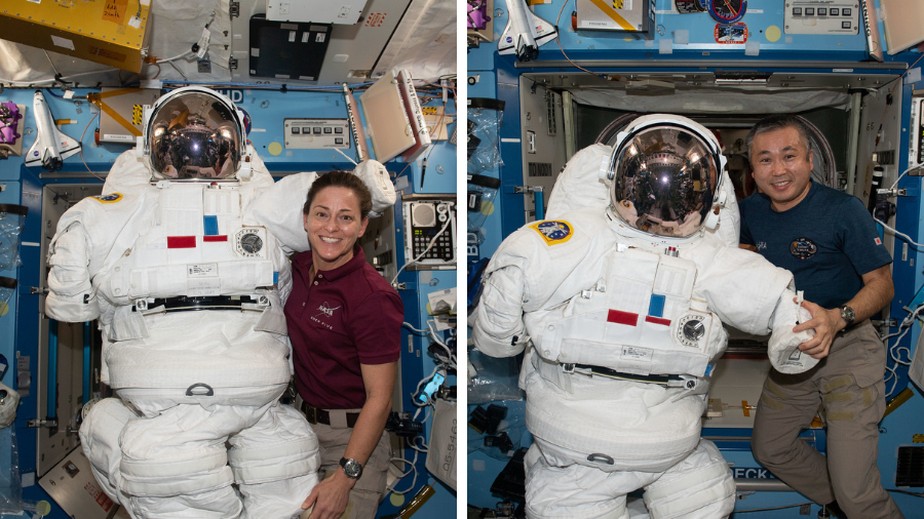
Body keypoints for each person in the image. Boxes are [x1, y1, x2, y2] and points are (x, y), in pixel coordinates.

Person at [43, 86, 395, 518]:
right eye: (183, 143)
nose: (195, 153)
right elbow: (70, 302)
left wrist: (365, 190)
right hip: (207, 384)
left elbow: (318, 200)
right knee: (191, 468)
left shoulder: (260, 206)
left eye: (208, 144)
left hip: (228, 388)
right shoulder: (127, 206)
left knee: (252, 468)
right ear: (157, 152)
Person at [472, 113, 816, 519]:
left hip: (591, 438)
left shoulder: (574, 243)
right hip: (657, 443)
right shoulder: (586, 238)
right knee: (702, 500)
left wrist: (792, 330)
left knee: (684, 500)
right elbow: (778, 305)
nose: (664, 202)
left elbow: (496, 332)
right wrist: (794, 338)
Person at [741, 114, 902, 519]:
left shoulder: (842, 210)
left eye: (789, 156)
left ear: (810, 160)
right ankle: (839, 502)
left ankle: (853, 502)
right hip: (792, 351)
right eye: (765, 160)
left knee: (859, 491)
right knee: (770, 447)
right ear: (753, 171)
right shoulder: (749, 213)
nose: (779, 170)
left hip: (848, 348)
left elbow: (883, 284)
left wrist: (838, 317)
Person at [285, 171, 403, 519]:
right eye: (322, 214)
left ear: (363, 226)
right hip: (299, 426)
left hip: (352, 438)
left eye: (346, 217)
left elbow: (380, 399)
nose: (332, 228)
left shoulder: (372, 298)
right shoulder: (296, 266)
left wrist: (346, 476)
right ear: (306, 219)